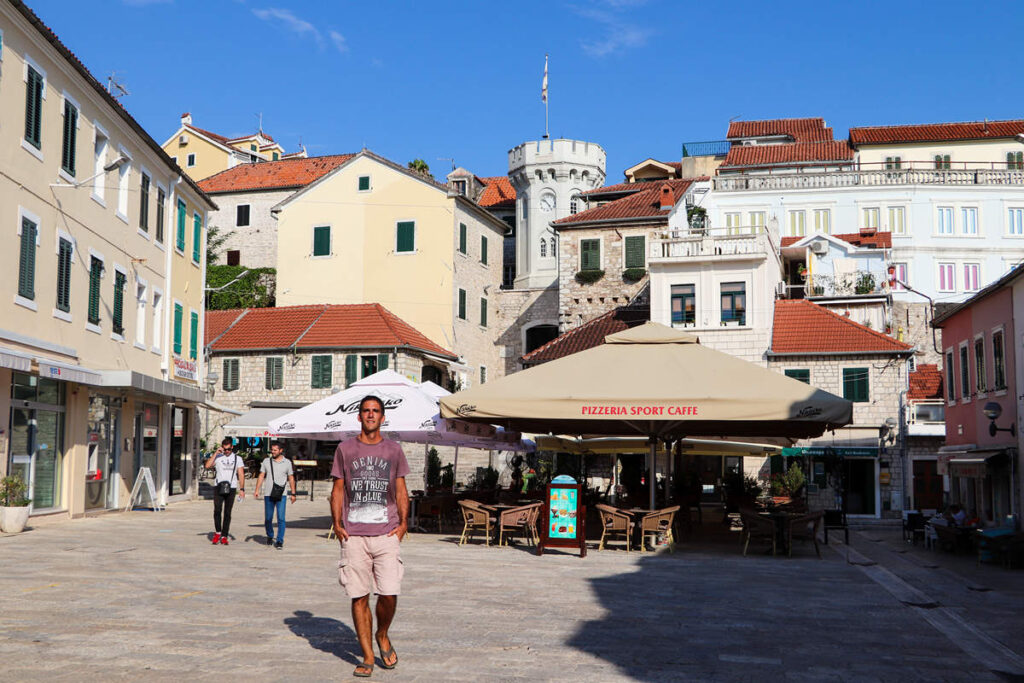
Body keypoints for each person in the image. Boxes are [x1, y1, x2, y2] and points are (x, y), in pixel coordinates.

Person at [331, 395, 409, 678]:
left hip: (386, 532)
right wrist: (337, 524)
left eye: (376, 411)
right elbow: (338, 489)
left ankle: (383, 633)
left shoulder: (393, 450)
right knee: (358, 595)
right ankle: (366, 655)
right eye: (366, 411)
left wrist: (403, 524)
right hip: (354, 535)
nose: (371, 415)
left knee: (389, 592)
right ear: (359, 416)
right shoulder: (345, 449)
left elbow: (401, 489)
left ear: (383, 417)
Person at [255, 441, 297, 549]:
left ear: (281, 450)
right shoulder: (266, 461)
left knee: (281, 518)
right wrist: (257, 490)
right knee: (268, 518)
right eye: (272, 450)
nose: (272, 452)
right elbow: (261, 475)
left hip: (281, 494)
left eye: (275, 450)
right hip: (268, 493)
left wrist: (293, 493)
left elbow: (291, 478)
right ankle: (270, 535)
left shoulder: (287, 462)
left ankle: (279, 540)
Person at [205, 437, 246, 545]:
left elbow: (241, 474)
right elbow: (207, 465)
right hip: (218, 486)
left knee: (227, 513)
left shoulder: (238, 458)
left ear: (232, 447)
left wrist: (242, 489)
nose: (227, 451)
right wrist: (215, 453)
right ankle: (218, 532)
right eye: (225, 449)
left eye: (228, 449)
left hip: (231, 487)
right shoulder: (218, 457)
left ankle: (224, 535)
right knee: (217, 510)